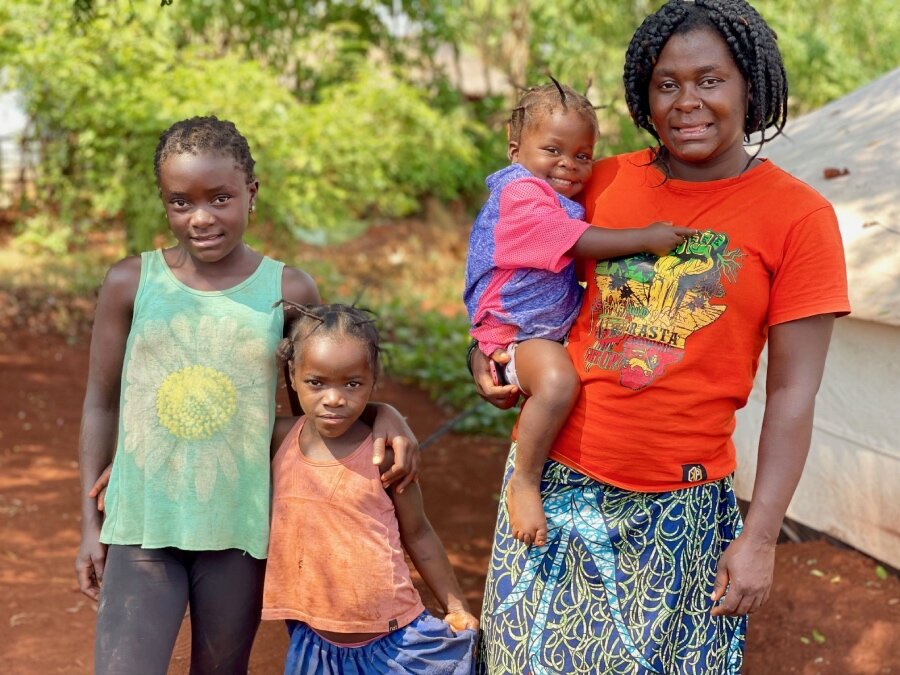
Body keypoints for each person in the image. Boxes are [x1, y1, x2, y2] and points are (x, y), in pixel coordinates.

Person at [471, 1, 850, 673]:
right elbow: (514, 265)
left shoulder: (799, 218)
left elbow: (794, 392)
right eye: (666, 83)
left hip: (681, 507)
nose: (687, 101)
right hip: (555, 481)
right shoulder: (602, 180)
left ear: (750, 87)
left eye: (710, 79)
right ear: (644, 95)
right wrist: (488, 346)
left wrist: (761, 535)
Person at [75, 116, 419, 674]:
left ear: (250, 194)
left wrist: (382, 411)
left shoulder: (287, 290)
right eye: (180, 202)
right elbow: (101, 402)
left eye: (220, 198)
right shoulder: (130, 283)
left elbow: (315, 402)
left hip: (238, 526)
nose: (201, 217)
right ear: (164, 203)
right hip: (141, 521)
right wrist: (90, 527)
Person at [463, 80, 696, 548]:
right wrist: (645, 237)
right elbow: (576, 241)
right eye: (553, 149)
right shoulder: (521, 193)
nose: (568, 164)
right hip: (520, 330)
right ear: (515, 148)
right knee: (558, 383)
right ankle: (525, 480)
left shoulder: (553, 194)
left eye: (583, 155)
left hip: (538, 328)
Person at [261, 302, 479, 674]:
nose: (334, 398)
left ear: (372, 380)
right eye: (316, 383)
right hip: (314, 645)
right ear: (293, 375)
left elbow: (419, 532)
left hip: (395, 643)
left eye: (352, 384)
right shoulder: (279, 437)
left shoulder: (385, 454)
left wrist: (455, 605)